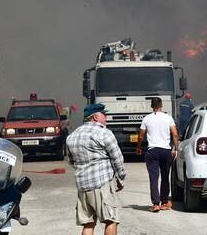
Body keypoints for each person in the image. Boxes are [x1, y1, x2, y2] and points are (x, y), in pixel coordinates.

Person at [66, 103, 126, 235]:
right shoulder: (104, 133)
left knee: (88, 223)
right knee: (111, 220)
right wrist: (121, 178)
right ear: (95, 117)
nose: (106, 118)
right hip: (102, 183)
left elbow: (71, 161)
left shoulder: (72, 136)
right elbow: (117, 158)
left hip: (83, 186)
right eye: (104, 115)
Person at [136, 97, 180, 212]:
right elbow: (175, 134)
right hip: (165, 151)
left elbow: (141, 135)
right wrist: (176, 148)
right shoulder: (168, 118)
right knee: (165, 176)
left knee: (153, 177)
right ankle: (165, 202)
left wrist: (139, 147)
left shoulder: (146, 119)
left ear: (152, 106)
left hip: (152, 151)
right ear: (161, 105)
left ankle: (155, 204)